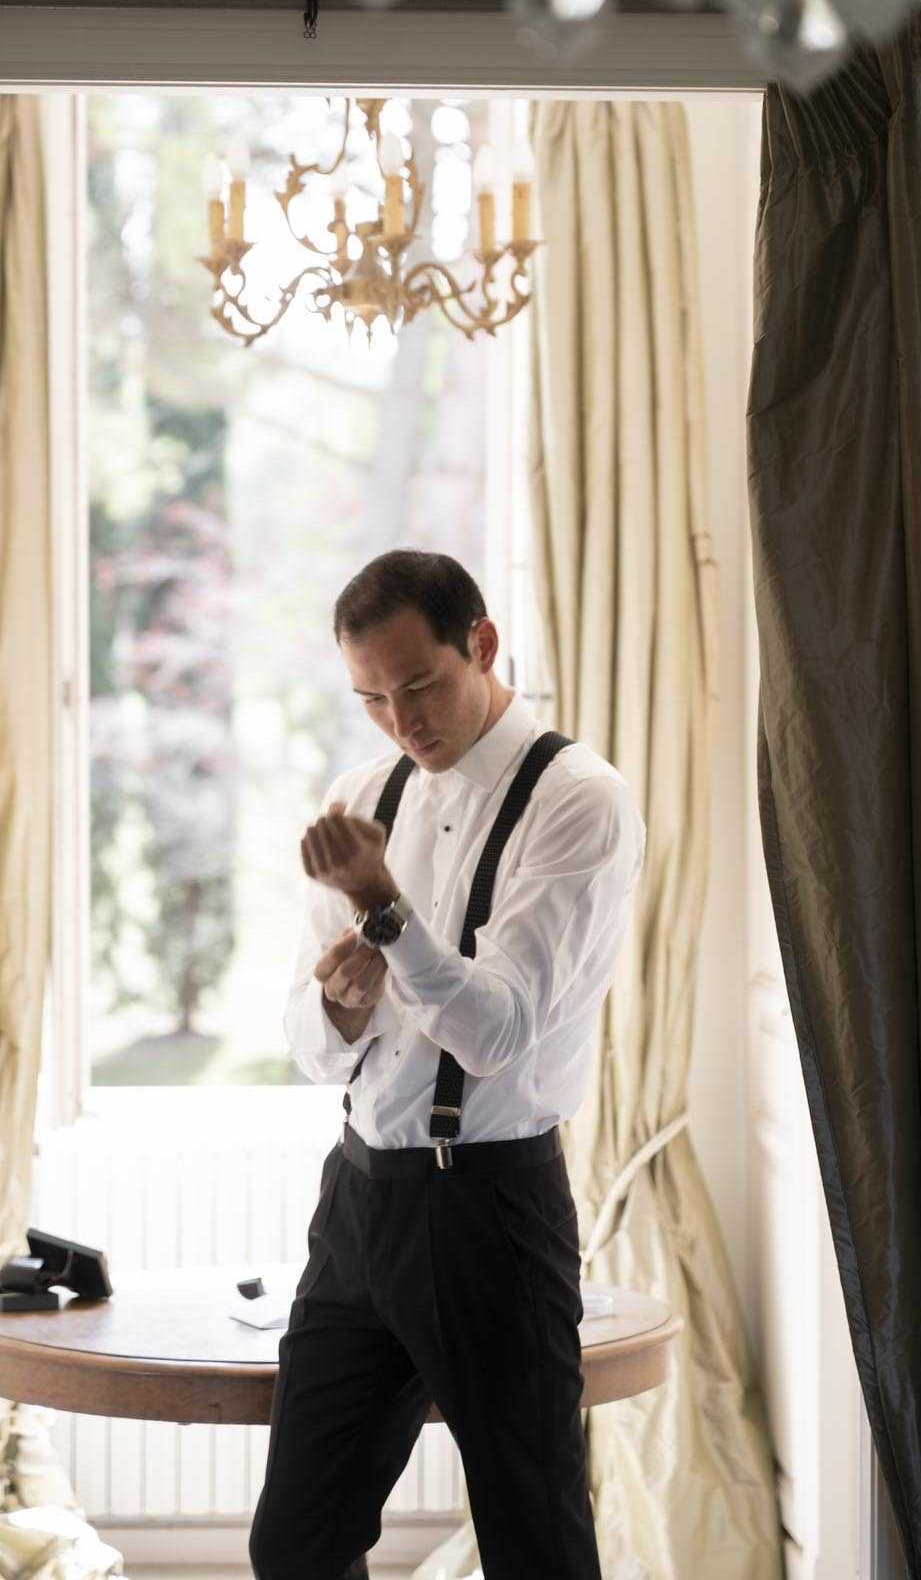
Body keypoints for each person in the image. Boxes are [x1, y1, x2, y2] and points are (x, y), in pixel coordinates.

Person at [248, 549, 646, 1580]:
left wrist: (386, 907)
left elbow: (497, 1028)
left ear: (480, 640)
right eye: (371, 696)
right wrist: (336, 1006)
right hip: (357, 1200)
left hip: (489, 1211)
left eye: (416, 683)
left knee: (535, 1540)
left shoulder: (577, 799)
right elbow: (302, 1040)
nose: (398, 720)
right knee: (294, 1542)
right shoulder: (360, 789)